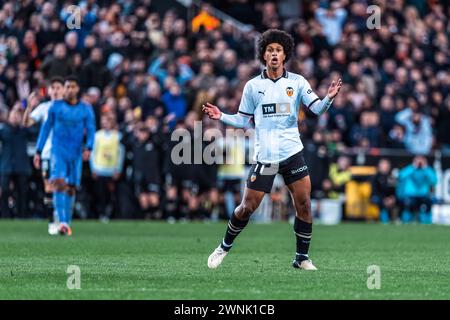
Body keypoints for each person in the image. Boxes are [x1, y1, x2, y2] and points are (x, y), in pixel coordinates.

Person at [202, 29, 342, 270]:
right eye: (270, 50)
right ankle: (223, 247)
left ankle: (302, 258)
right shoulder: (253, 86)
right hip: (266, 156)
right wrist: (221, 115)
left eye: (278, 50)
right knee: (247, 208)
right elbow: (243, 120)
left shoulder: (297, 82)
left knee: (304, 204)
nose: (274, 54)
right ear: (264, 56)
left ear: (285, 54)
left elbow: (317, 110)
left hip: (292, 152)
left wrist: (328, 98)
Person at [34, 76, 96, 235]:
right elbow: (45, 129)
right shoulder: (55, 107)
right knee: (58, 183)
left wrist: (89, 147)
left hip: (76, 152)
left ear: (77, 89)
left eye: (72, 87)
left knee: (71, 188)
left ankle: (66, 222)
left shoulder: (85, 108)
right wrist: (38, 151)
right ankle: (61, 221)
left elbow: (90, 129)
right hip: (58, 151)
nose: (69, 90)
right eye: (67, 87)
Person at [22, 76, 64, 234]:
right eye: (52, 88)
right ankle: (52, 221)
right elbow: (26, 123)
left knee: (61, 186)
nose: (54, 91)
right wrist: (28, 107)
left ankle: (61, 218)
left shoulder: (70, 108)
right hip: (47, 153)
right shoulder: (44, 107)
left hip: (64, 154)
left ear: (63, 90)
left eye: (58, 88)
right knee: (48, 186)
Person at [397, 156, 437, 224]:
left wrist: (426, 168)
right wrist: (413, 167)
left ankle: (426, 222)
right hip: (410, 195)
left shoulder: (426, 170)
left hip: (423, 195)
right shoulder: (410, 169)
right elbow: (401, 176)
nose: (419, 163)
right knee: (407, 204)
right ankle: (406, 221)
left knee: (428, 203)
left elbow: (434, 180)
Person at [371, 158, 397, 224]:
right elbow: (375, 191)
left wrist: (392, 198)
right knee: (379, 202)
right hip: (378, 197)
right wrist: (384, 199)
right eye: (384, 164)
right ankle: (383, 219)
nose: (386, 166)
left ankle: (396, 218)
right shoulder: (376, 177)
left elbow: (393, 190)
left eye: (387, 164)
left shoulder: (391, 177)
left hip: (388, 198)